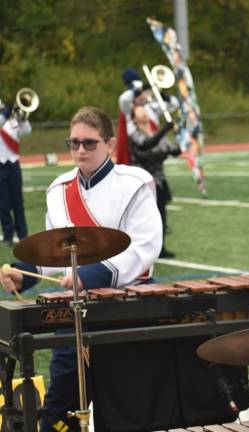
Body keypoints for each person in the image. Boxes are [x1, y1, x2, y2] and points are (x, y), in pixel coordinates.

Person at [0, 106, 162, 431]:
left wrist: (89, 275)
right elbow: (53, 254)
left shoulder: (135, 183)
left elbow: (145, 246)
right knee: (59, 412)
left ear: (110, 145)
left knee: (125, 406)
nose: (80, 150)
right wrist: (23, 272)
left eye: (89, 143)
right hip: (74, 313)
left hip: (128, 305)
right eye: (73, 143)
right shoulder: (58, 190)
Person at [129, 104, 180, 258]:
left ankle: (161, 248)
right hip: (144, 183)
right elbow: (146, 149)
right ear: (133, 118)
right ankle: (143, 247)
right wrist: (165, 130)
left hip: (160, 181)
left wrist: (184, 139)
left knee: (161, 215)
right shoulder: (134, 135)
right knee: (145, 217)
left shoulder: (157, 134)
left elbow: (174, 151)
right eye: (139, 113)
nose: (144, 114)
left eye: (144, 112)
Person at [0, 99, 31, 247]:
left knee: (18, 202)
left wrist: (23, 117)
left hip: (13, 165)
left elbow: (27, 131)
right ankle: (8, 236)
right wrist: (5, 115)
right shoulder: (2, 120)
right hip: (0, 167)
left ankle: (23, 234)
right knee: (3, 204)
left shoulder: (13, 122)